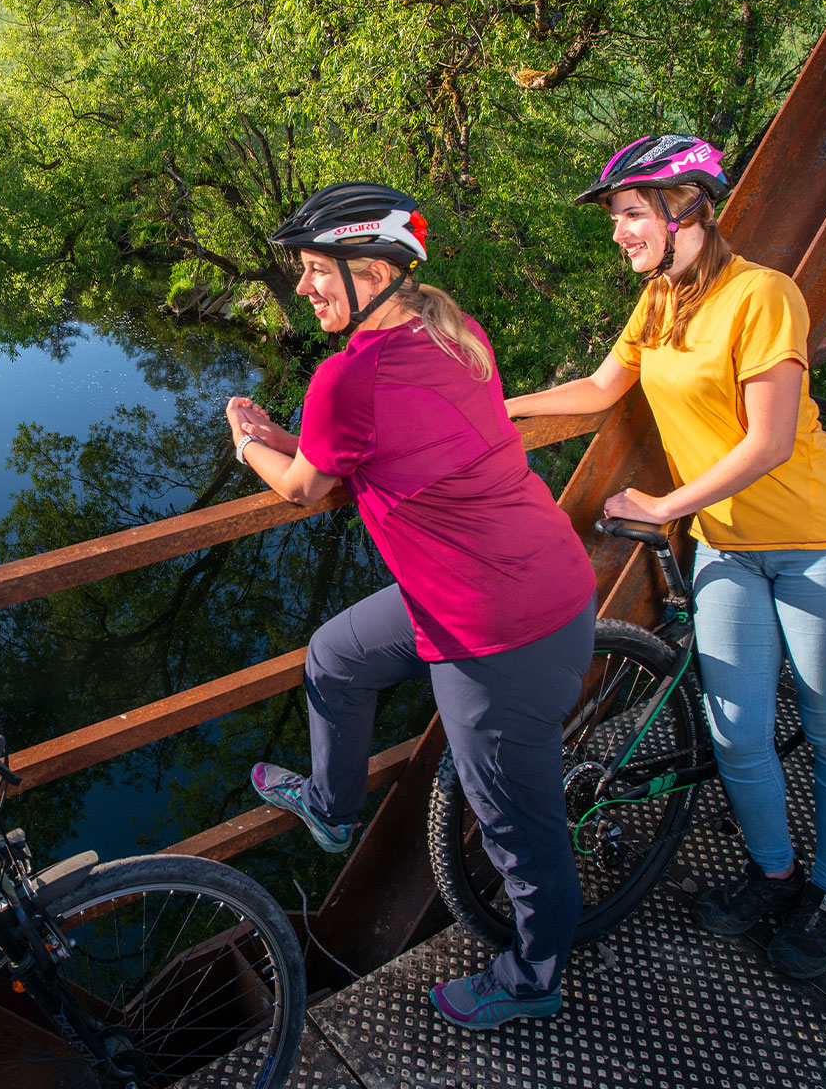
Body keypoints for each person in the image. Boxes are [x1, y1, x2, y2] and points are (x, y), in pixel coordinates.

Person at [505, 133, 826, 979]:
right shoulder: (660, 302)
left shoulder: (764, 295)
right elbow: (601, 390)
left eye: (632, 214)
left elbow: (771, 440)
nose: (619, 233)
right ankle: (773, 872)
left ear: (688, 210)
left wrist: (663, 505)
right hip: (729, 547)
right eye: (617, 217)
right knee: (738, 731)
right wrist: (499, 408)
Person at [226, 182, 597, 1029]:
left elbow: (302, 486)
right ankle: (331, 804)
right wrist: (294, 439)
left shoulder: (346, 375)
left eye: (318, 272)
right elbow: (362, 448)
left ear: (372, 272)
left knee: (518, 835)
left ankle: (534, 978)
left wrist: (249, 438)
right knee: (338, 655)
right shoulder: (453, 330)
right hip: (516, 579)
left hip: (499, 630)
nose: (304, 289)